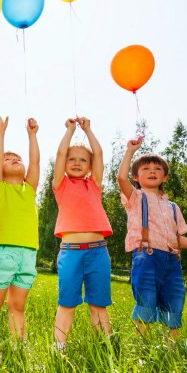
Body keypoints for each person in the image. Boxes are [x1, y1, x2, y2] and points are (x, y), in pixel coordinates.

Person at [117, 140, 187, 338]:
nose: (152, 171)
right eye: (145, 168)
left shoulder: (172, 207)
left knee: (174, 302)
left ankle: (170, 349)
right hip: (146, 257)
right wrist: (130, 150)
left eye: (157, 168)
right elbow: (121, 178)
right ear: (136, 177)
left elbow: (177, 238)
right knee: (146, 301)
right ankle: (142, 348)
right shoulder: (135, 198)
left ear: (165, 176)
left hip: (172, 261)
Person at [52, 117, 112, 352]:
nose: (77, 163)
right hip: (71, 253)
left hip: (98, 252)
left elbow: (98, 153)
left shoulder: (94, 184)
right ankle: (59, 348)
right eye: (72, 159)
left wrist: (88, 130)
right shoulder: (61, 185)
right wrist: (69, 130)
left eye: (83, 160)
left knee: (98, 304)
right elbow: (59, 155)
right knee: (67, 302)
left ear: (90, 165)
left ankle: (104, 348)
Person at [0, 112, 39, 351]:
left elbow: (34, 162)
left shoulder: (30, 189)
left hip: (28, 253)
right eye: (9, 159)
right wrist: (0, 133)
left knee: (18, 305)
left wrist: (32, 135)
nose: (15, 159)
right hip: (4, 251)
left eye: (17, 158)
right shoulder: (0, 189)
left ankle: (18, 346)